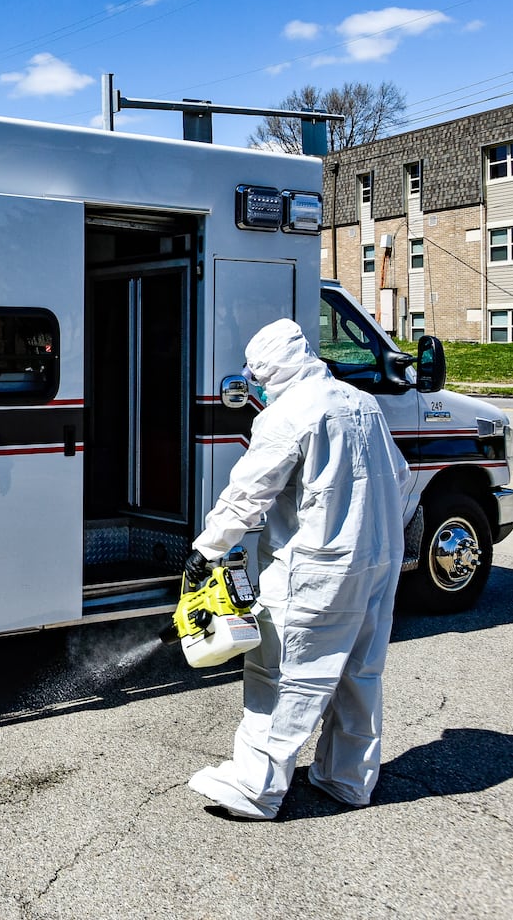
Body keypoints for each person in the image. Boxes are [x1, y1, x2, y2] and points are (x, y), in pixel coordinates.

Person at [184, 317, 411, 820]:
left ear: (274, 370)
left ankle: (256, 786)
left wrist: (208, 548)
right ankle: (348, 778)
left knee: (283, 674)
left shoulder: (289, 414)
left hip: (316, 569)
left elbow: (249, 492)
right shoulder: (361, 403)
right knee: (359, 673)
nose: (260, 386)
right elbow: (400, 475)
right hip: (377, 561)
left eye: (261, 376)